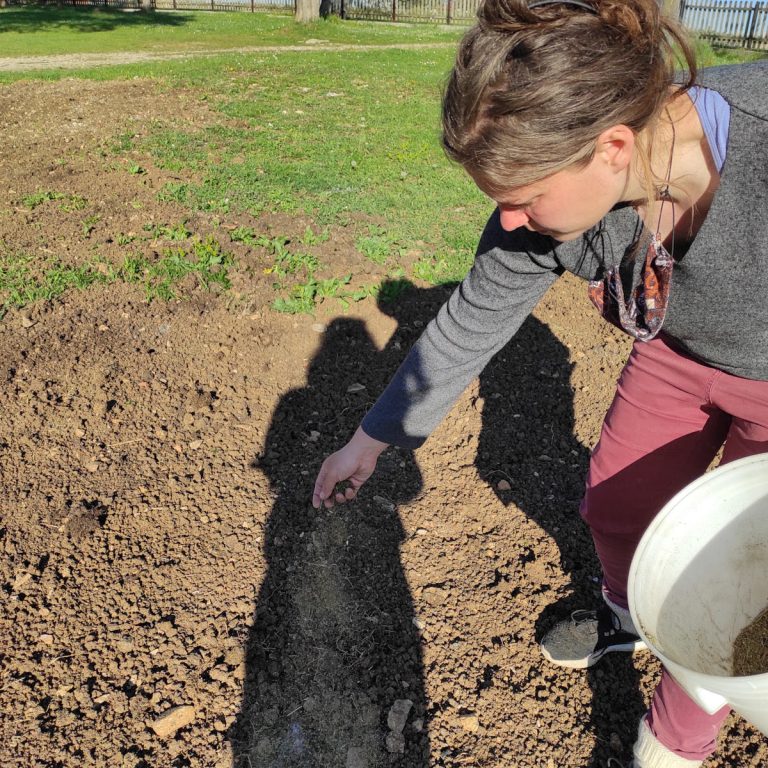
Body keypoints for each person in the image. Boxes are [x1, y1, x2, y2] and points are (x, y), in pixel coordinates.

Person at [312, 0, 768, 765]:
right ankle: (628, 615)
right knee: (616, 507)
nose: (512, 221)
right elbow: (473, 318)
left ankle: (674, 743)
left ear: (612, 147)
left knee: (735, 586)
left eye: (525, 197)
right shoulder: (556, 209)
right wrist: (372, 438)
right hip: (674, 354)